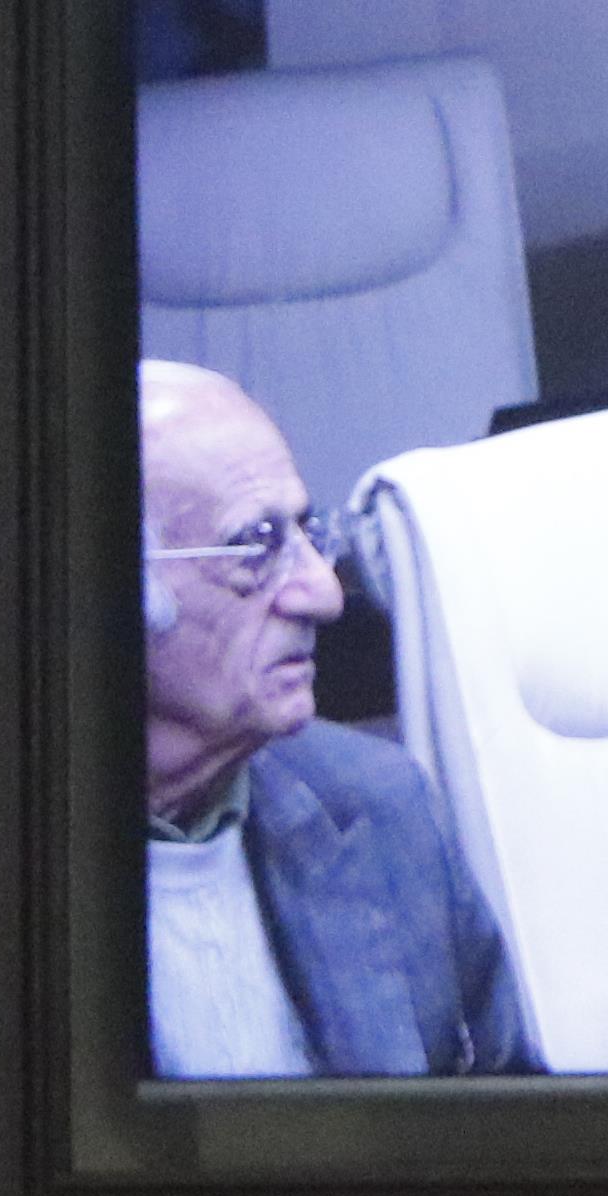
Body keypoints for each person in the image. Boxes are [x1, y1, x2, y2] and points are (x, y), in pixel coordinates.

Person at [138, 360, 537, 1080]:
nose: (323, 593)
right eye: (255, 545)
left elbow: (510, 1126)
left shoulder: (382, 810)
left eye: (305, 532)